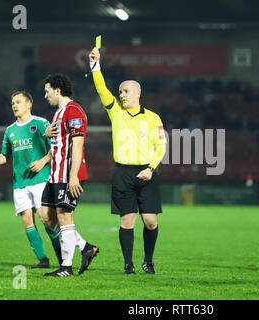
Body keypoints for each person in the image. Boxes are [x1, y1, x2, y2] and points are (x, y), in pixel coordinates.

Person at [89, 45, 167, 275]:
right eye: (120, 91)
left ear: (137, 94)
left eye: (125, 91)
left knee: (150, 221)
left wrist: (151, 168)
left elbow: (161, 146)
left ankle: (148, 261)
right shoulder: (116, 111)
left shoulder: (153, 118)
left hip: (147, 172)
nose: (121, 95)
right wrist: (95, 64)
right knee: (127, 222)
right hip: (123, 173)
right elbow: (102, 88)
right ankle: (128, 264)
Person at [0, 91, 61, 268]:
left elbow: (55, 147)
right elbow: (5, 155)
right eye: (12, 103)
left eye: (18, 102)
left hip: (40, 178)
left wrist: (43, 161)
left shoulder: (41, 123)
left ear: (29, 104)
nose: (14, 105)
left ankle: (62, 256)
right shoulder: (10, 130)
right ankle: (43, 260)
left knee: (45, 217)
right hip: (20, 182)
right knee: (27, 219)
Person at [41, 73, 99, 277]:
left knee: (64, 217)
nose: (45, 96)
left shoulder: (74, 111)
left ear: (57, 90)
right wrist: (46, 137)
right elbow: (58, 145)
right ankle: (85, 247)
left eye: (47, 92)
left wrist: (73, 176)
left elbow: (77, 144)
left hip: (67, 175)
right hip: (54, 175)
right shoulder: (58, 113)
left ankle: (66, 267)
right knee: (45, 216)